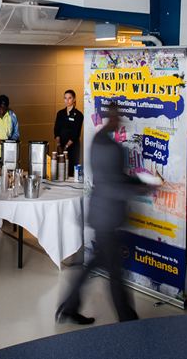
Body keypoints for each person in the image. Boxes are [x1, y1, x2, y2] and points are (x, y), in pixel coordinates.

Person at [56, 104, 155, 324]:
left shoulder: (99, 141)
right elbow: (112, 185)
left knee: (97, 264)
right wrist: (140, 188)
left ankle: (69, 307)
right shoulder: (110, 147)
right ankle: (127, 319)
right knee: (115, 272)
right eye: (117, 116)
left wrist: (140, 183)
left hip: (102, 214)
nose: (120, 121)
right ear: (110, 117)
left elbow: (114, 177)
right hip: (106, 216)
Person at [54, 89, 84, 176]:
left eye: (69, 98)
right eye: (65, 98)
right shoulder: (60, 113)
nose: (67, 100)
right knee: (60, 171)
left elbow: (76, 133)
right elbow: (56, 130)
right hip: (61, 146)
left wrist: (66, 147)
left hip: (72, 147)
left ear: (74, 99)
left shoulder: (79, 115)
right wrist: (59, 145)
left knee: (71, 171)